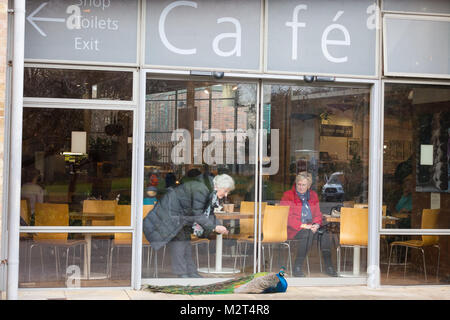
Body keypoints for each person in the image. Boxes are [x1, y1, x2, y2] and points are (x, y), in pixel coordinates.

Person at [143, 173, 234, 278]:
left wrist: (217, 225)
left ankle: (191, 272)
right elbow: (199, 215)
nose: (226, 195)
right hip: (172, 217)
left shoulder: (208, 190)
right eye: (226, 191)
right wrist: (214, 227)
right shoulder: (202, 189)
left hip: (182, 217)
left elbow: (209, 213)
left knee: (185, 244)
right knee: (180, 244)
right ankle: (182, 274)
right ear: (218, 186)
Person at [281, 171, 338, 277]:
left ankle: (329, 267)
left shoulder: (313, 195)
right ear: (296, 183)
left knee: (325, 234)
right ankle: (297, 267)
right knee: (307, 234)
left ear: (309, 185)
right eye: (299, 184)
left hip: (311, 227)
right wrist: (304, 226)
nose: (301, 187)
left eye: (304, 185)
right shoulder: (288, 195)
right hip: (294, 229)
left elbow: (317, 213)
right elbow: (287, 217)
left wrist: (316, 224)